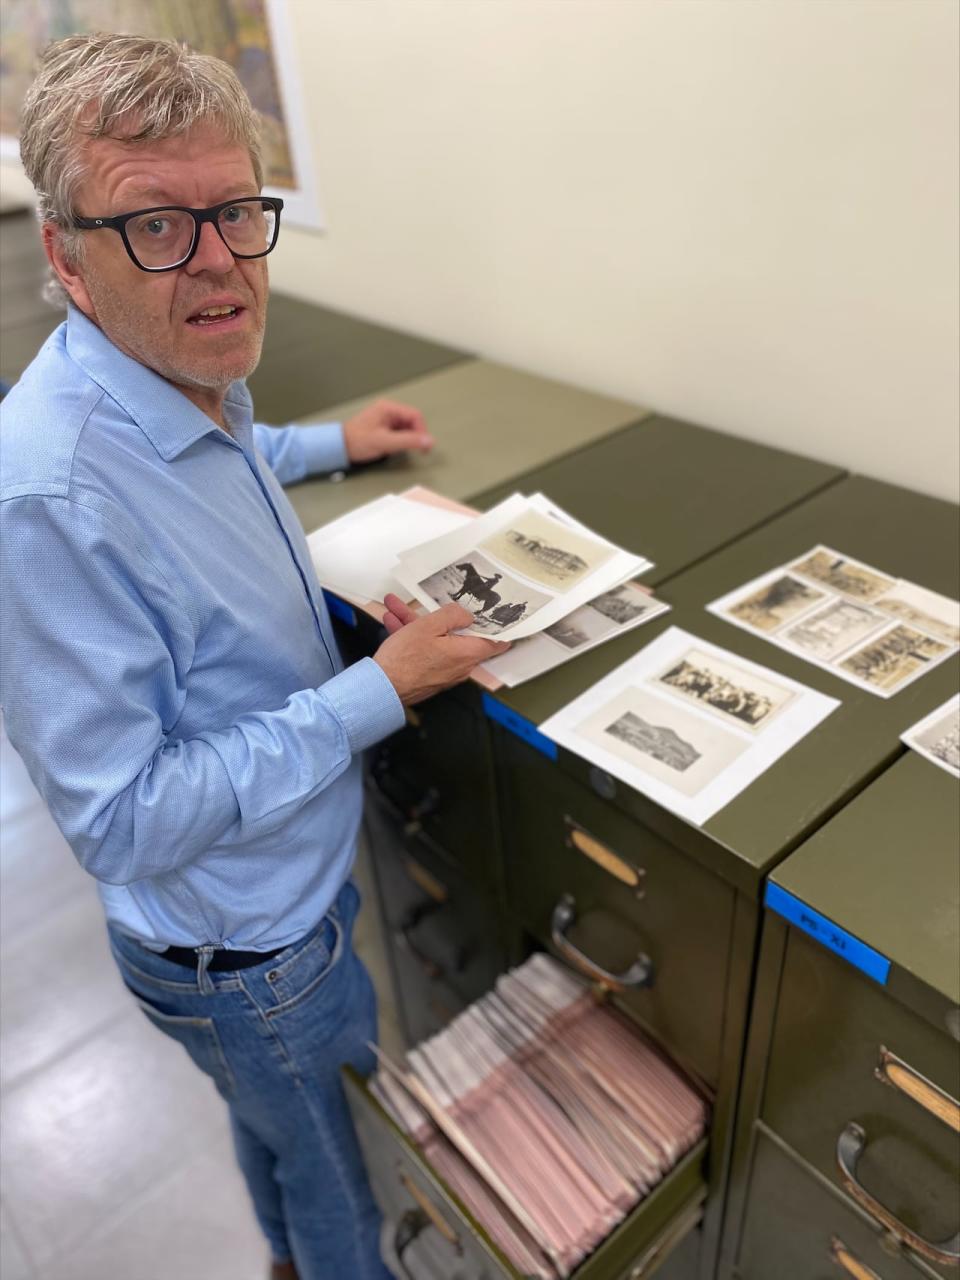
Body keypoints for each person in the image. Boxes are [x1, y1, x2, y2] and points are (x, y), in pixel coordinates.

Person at [0, 34, 507, 1280]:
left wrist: (337, 438)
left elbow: (219, 448)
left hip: (272, 912)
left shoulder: (167, 360)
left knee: (276, 1134)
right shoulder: (47, 499)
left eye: (235, 208)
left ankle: (280, 1250)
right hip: (251, 955)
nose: (220, 260)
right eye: (157, 226)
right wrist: (374, 694)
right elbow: (120, 818)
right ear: (64, 255)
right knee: (347, 1182)